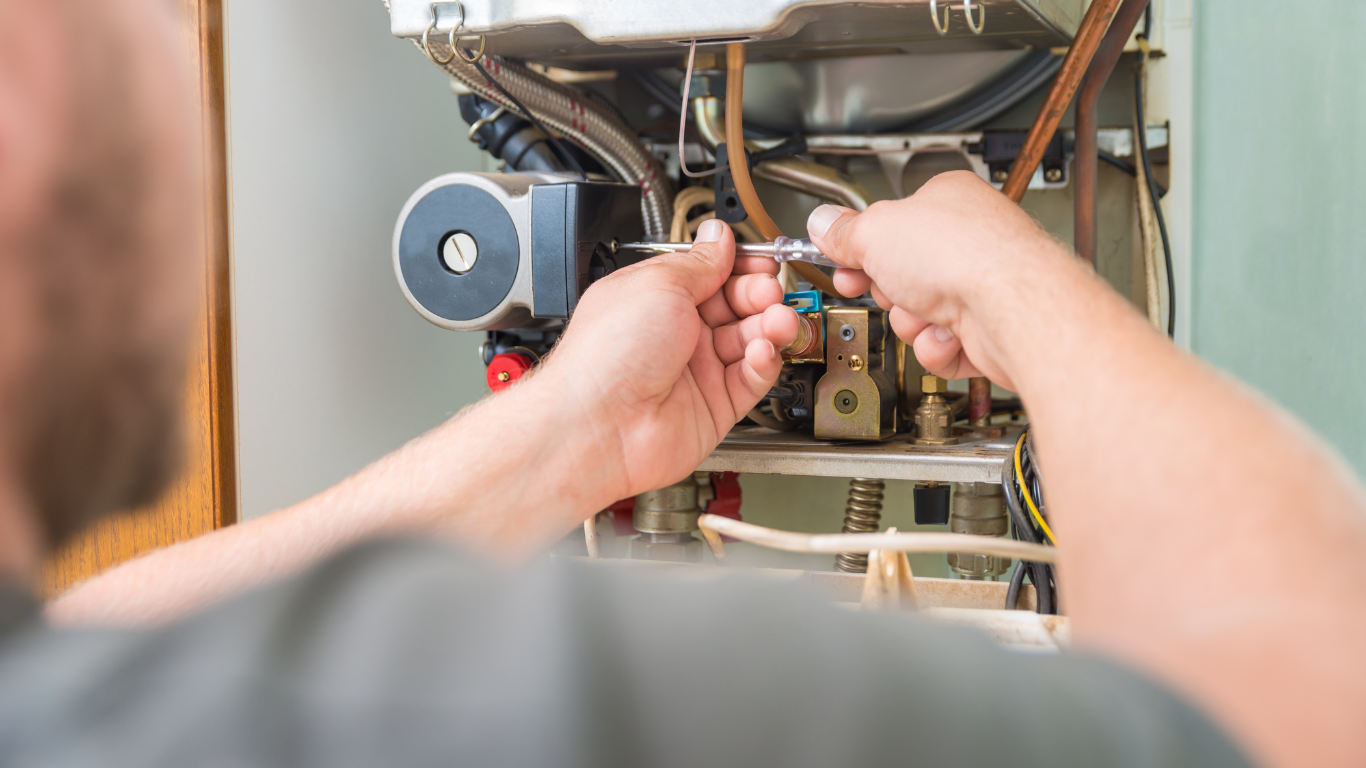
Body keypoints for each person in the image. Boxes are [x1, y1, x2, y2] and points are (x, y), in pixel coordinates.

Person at [0, 0, 1360, 766]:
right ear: (28, 94)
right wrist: (1023, 293)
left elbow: (103, 647)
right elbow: (1309, 708)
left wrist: (574, 430)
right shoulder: (533, 696)